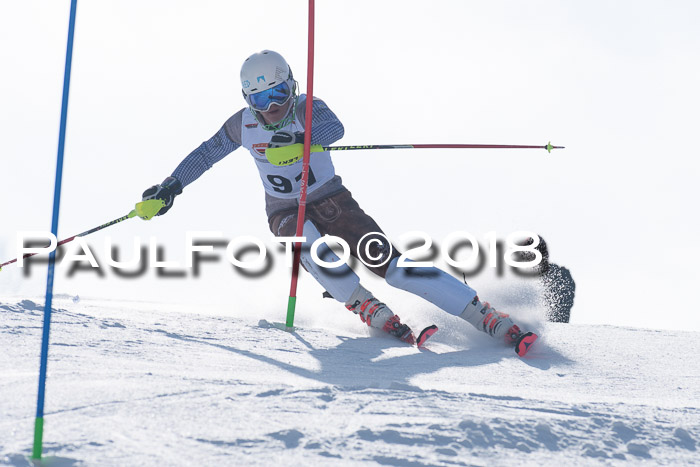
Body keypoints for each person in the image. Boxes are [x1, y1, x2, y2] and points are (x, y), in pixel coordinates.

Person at [142, 50, 538, 356]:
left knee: (392, 266)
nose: (272, 107)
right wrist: (171, 185)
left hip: (332, 199)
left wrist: (301, 139)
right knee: (306, 243)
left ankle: (483, 315)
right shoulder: (240, 125)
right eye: (260, 99)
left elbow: (335, 127)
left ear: (292, 87)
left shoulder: (305, 107)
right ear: (247, 99)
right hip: (284, 208)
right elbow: (206, 154)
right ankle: (366, 306)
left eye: (278, 93)